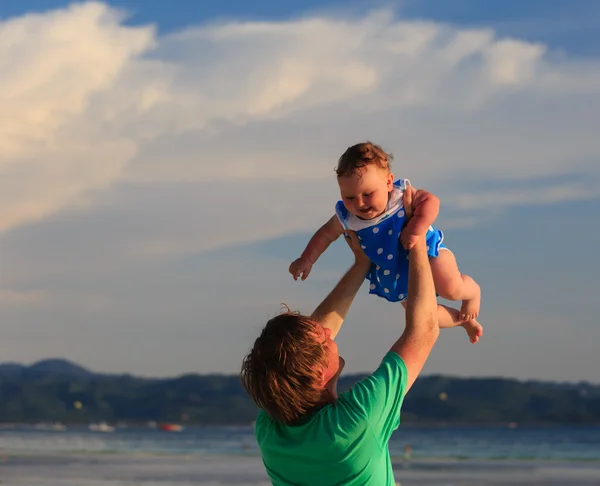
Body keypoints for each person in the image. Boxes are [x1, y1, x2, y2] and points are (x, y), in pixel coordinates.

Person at [240, 231, 439, 485]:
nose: (326, 330)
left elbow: (291, 361)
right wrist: (417, 240)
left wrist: (361, 264)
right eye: (324, 340)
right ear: (317, 374)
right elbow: (424, 331)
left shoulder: (270, 432)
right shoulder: (356, 421)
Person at [289, 141, 482, 343]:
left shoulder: (400, 196)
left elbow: (431, 202)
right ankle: (463, 321)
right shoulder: (347, 217)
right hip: (397, 274)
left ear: (389, 182)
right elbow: (325, 235)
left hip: (429, 254)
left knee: (450, 287)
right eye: (349, 197)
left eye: (367, 194)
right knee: (426, 316)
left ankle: (472, 293)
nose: (359, 203)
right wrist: (307, 259)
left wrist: (415, 229)